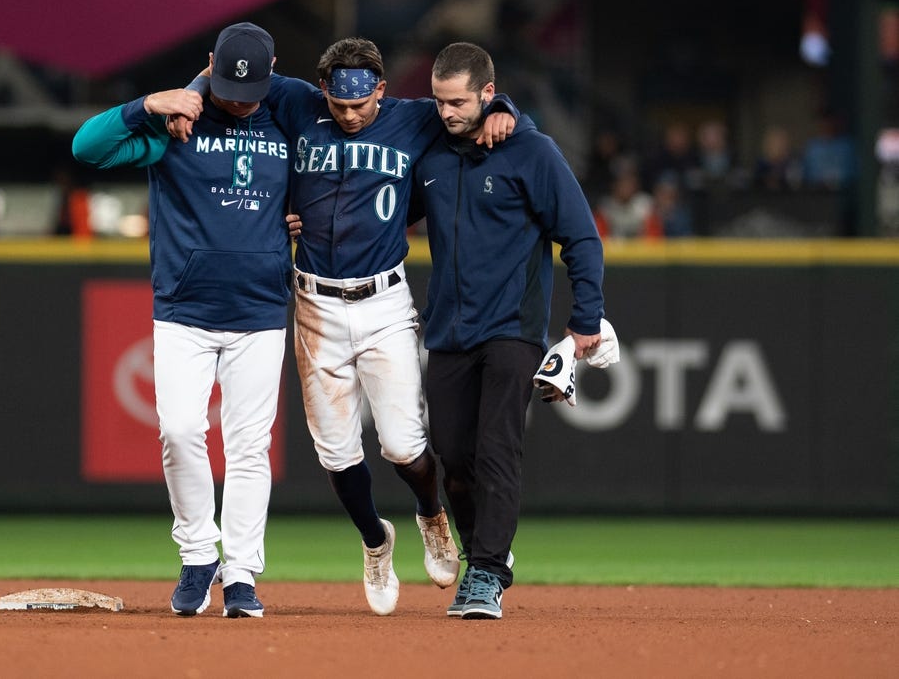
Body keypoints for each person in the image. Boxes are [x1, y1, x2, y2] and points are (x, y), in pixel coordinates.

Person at [175, 37, 517, 616]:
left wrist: (506, 105)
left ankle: (431, 514)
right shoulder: (297, 101)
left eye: (361, 104)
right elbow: (226, 72)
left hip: (384, 301)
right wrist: (188, 93)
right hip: (316, 304)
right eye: (340, 104)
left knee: (404, 446)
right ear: (324, 89)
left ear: (382, 90)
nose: (351, 114)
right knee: (336, 454)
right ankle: (375, 541)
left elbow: (472, 105)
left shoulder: (414, 118)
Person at [72, 22, 292, 619]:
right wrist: (146, 103)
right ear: (210, 64)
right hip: (185, 310)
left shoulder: (289, 113)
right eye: (225, 84)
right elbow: (86, 149)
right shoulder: (176, 122)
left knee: (249, 449)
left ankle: (242, 574)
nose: (237, 98)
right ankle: (199, 553)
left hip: (261, 310)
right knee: (178, 431)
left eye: (250, 89)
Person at [415, 42, 605, 619]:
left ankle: (488, 574)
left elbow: (581, 237)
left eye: (457, 102)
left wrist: (586, 320)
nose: (446, 112)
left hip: (511, 329)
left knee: (498, 448)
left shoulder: (531, 151)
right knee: (452, 453)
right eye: (439, 100)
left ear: (487, 95)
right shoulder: (430, 151)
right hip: (447, 330)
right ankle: (484, 553)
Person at [51, 164, 92, 237]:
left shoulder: (79, 196)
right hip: (68, 238)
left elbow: (82, 227)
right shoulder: (64, 196)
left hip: (81, 241)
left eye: (62, 178)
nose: (59, 181)